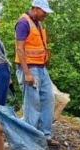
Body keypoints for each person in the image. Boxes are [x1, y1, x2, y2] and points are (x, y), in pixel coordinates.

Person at [15, 0, 55, 142]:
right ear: (36, 8)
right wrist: (27, 73)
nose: (46, 15)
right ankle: (31, 137)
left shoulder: (38, 23)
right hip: (30, 68)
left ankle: (45, 135)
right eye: (44, 12)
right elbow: (20, 49)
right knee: (32, 104)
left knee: (48, 99)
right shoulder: (23, 23)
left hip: (41, 67)